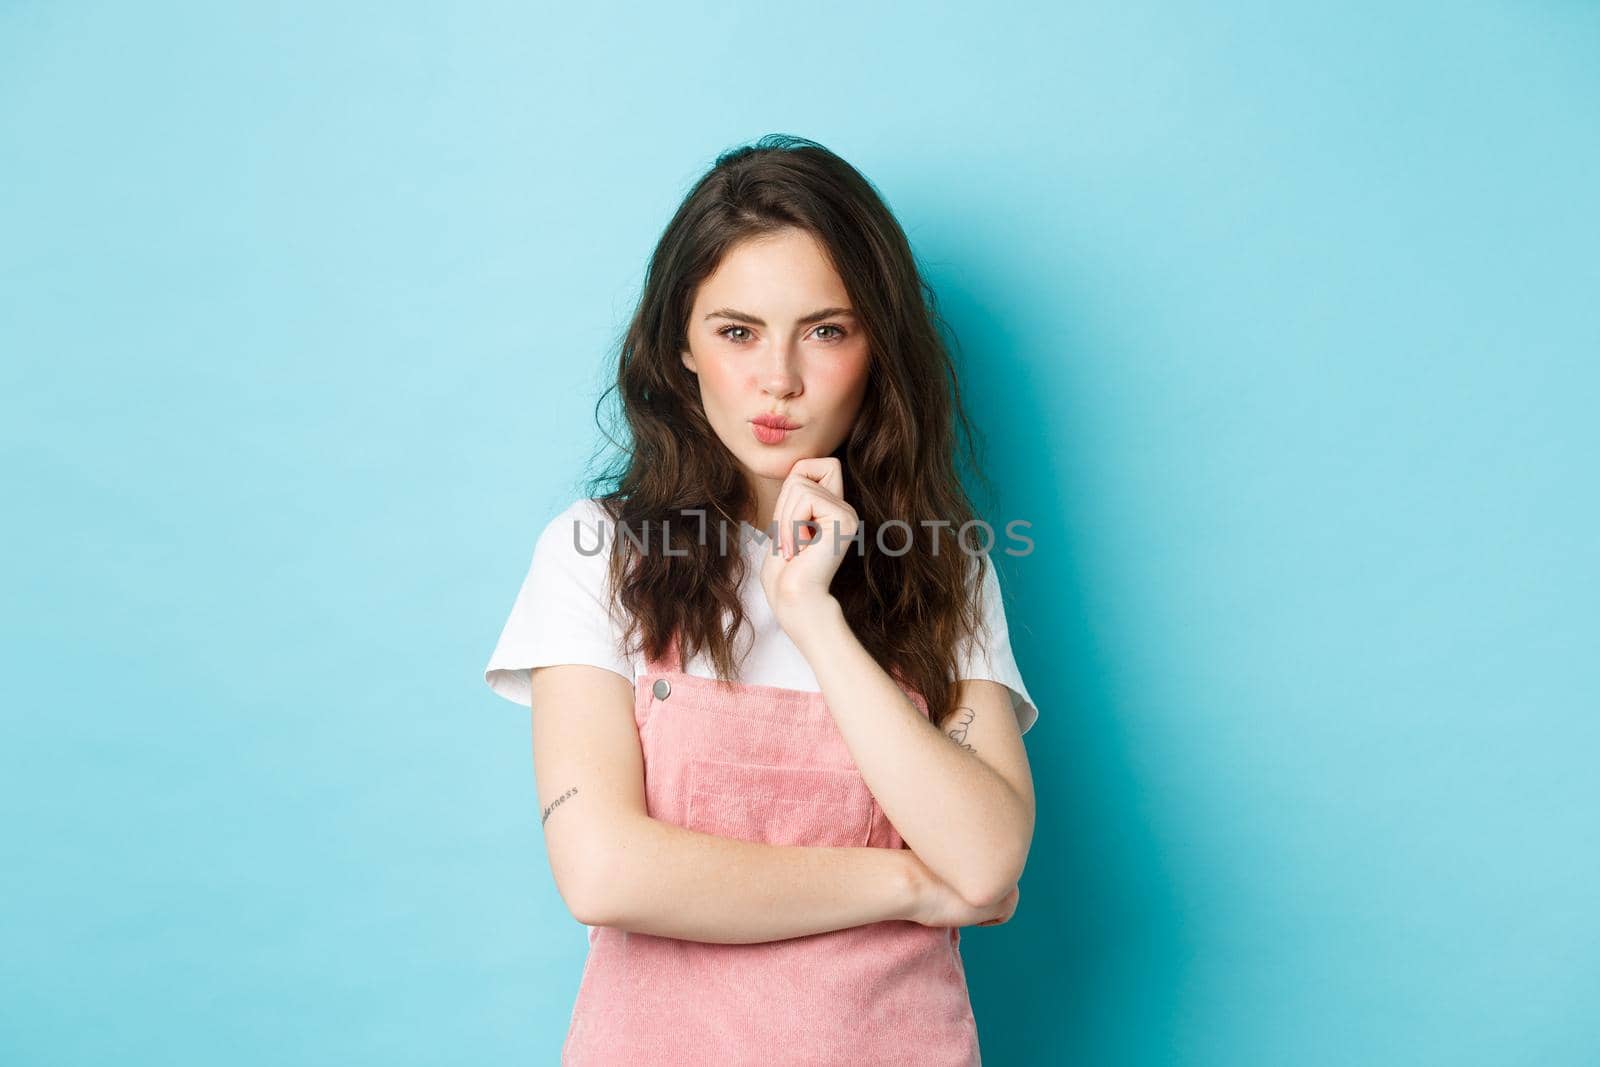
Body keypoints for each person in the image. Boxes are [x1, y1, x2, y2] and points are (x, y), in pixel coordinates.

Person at [482, 134, 1039, 1066]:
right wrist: (909, 883)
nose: (778, 378)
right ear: (680, 349)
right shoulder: (599, 555)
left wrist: (817, 617)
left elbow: (984, 860)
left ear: (878, 349)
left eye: (826, 330)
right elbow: (603, 869)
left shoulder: (948, 568)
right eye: (736, 331)